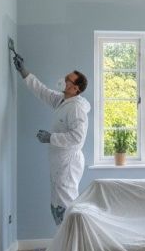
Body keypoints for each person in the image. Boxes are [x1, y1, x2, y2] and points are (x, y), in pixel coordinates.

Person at [11, 50, 91, 225]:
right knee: (58, 205)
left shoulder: (76, 108)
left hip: (68, 162)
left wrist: (51, 138)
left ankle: (72, 245)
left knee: (66, 205)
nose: (63, 81)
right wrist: (24, 72)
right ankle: (65, 244)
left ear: (76, 88)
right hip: (59, 161)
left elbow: (77, 138)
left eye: (67, 79)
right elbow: (43, 92)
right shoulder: (63, 100)